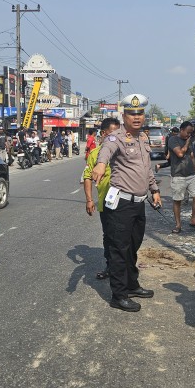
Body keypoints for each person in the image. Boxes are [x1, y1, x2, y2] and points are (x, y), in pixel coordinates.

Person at [92, 94, 162, 312]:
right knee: (119, 249)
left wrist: (155, 190)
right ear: (124, 116)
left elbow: (146, 169)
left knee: (133, 247)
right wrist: (101, 165)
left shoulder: (142, 139)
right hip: (121, 204)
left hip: (139, 203)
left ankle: (132, 284)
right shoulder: (116, 138)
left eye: (140, 113)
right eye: (132, 113)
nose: (137, 117)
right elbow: (105, 151)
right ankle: (118, 295)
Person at [82, 117, 122, 280]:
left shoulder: (124, 150)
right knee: (109, 235)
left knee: (126, 235)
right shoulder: (95, 154)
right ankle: (110, 266)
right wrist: (89, 199)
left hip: (127, 200)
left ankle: (126, 267)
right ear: (104, 134)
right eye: (113, 133)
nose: (117, 137)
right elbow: (87, 177)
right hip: (107, 201)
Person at [168, 121, 195, 233]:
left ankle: (193, 219)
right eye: (188, 133)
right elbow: (180, 154)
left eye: (191, 133)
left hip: (191, 174)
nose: (189, 135)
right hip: (178, 175)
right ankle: (178, 225)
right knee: (178, 200)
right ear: (181, 130)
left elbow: (192, 156)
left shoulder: (190, 142)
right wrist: (188, 142)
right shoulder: (173, 140)